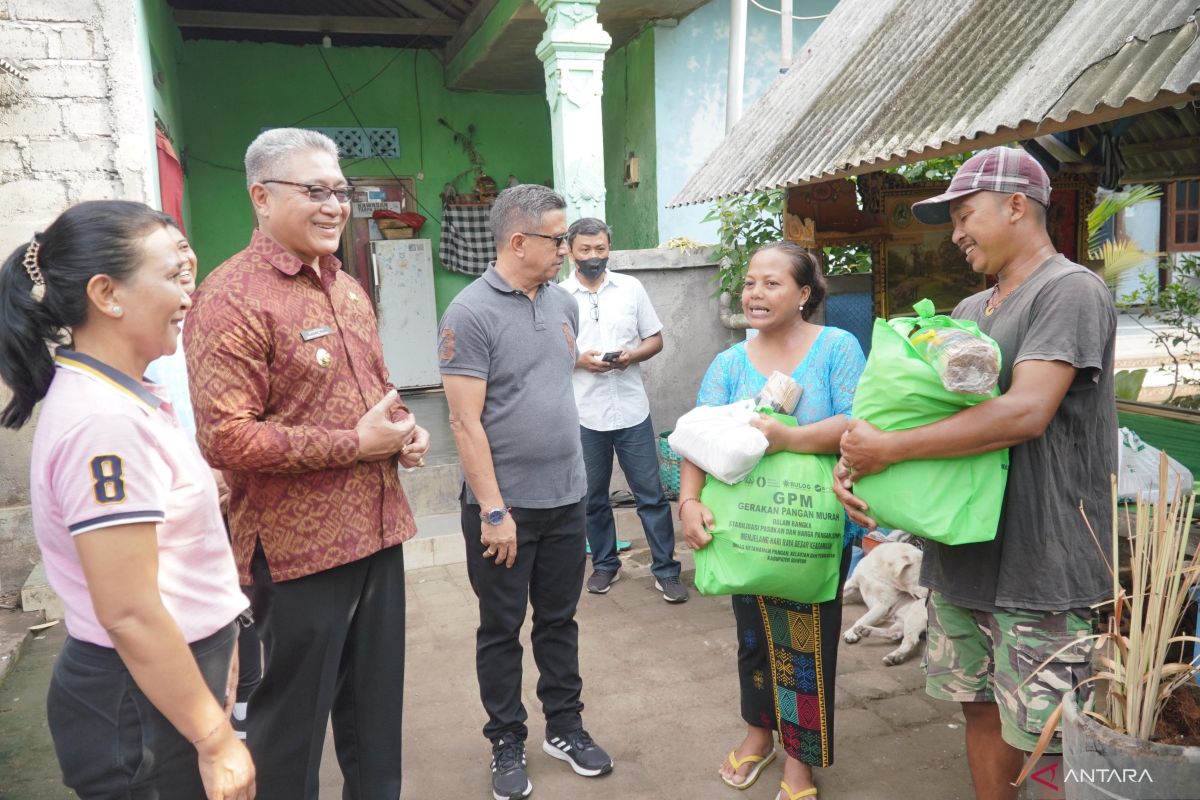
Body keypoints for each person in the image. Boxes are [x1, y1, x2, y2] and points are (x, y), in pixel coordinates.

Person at [833, 146, 1117, 800]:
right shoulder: (965, 315)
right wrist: (858, 464)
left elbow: (1025, 411)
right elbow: (912, 416)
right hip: (963, 558)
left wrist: (890, 451)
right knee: (978, 706)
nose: (955, 232)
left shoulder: (1068, 290)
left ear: (1017, 205)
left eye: (965, 214)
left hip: (1044, 564)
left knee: (1048, 731)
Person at [185, 128, 430, 800]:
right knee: (291, 730)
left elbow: (375, 393)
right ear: (261, 197)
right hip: (298, 554)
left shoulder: (346, 286)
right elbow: (225, 438)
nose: (334, 205)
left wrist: (402, 433)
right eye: (314, 191)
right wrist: (356, 443)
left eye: (340, 191)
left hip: (378, 533)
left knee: (376, 721)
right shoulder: (232, 295)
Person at [0, 200, 255, 799]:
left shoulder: (128, 396)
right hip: (138, 710)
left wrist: (221, 642)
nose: (188, 297)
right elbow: (130, 611)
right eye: (173, 277)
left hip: (168, 683)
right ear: (107, 295)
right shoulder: (104, 424)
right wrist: (215, 739)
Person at [439, 185, 614, 800]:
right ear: (519, 242)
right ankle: (506, 739)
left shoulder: (563, 303)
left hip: (567, 498)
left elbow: (549, 388)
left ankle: (564, 727)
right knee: (501, 627)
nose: (568, 248)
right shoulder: (469, 312)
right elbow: (464, 422)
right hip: (504, 511)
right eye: (558, 238)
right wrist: (493, 510)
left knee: (560, 620)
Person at [680, 242, 865, 800]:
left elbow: (859, 423)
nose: (756, 294)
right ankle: (759, 731)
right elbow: (696, 437)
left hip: (808, 526)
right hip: (743, 526)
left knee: (805, 643)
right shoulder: (729, 362)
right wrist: (689, 502)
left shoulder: (836, 347)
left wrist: (791, 438)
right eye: (750, 283)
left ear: (805, 293)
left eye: (772, 283)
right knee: (752, 637)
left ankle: (801, 762)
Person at [144, 229, 261, 739]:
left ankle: (243, 702)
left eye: (186, 247)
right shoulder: (144, 345)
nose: (186, 260)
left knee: (239, 591)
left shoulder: (197, 319)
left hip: (215, 480)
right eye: (169, 262)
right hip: (187, 490)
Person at [559, 217, 686, 603]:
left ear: (608, 248)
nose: (594, 256)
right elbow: (551, 351)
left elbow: (656, 339)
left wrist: (632, 355)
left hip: (631, 410)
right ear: (569, 250)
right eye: (586, 250)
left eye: (600, 249)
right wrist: (580, 361)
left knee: (650, 494)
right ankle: (604, 565)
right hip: (585, 413)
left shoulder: (631, 288)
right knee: (592, 498)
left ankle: (666, 571)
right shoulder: (558, 296)